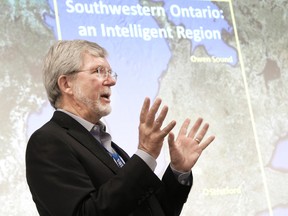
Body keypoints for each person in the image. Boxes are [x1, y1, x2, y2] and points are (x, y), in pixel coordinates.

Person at [26, 39, 215, 216]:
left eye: (110, 73)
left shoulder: (105, 144)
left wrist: (177, 171)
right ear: (66, 84)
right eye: (98, 71)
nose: (111, 81)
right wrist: (145, 154)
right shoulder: (48, 142)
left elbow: (153, 210)